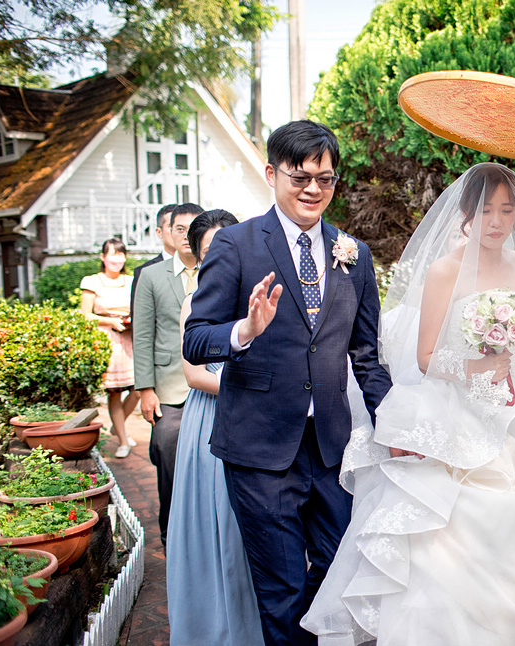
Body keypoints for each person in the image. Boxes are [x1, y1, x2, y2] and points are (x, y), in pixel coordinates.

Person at [300, 163, 515, 645]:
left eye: (507, 211)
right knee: (455, 515)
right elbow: (427, 355)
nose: (497, 221)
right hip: (458, 406)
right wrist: (478, 368)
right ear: (465, 214)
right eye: (486, 210)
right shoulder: (445, 271)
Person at [183, 120, 393, 646]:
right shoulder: (235, 244)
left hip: (330, 450)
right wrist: (245, 331)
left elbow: (365, 354)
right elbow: (195, 340)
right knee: (281, 589)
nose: (313, 189)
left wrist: (395, 424)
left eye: (326, 179)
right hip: (258, 449)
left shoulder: (354, 253)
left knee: (337, 575)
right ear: (273, 174)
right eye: (301, 177)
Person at [166, 209, 264, 645]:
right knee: (217, 523)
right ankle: (218, 629)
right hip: (212, 418)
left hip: (260, 421)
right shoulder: (194, 302)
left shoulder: (259, 294)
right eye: (211, 251)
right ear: (199, 256)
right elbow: (193, 374)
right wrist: (249, 388)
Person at [132, 202, 204, 543]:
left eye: (194, 228)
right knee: (167, 445)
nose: (187, 236)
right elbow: (142, 335)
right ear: (168, 232)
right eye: (180, 229)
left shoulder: (219, 269)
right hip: (170, 387)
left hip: (214, 382)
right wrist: (146, 389)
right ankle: (172, 532)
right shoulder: (150, 276)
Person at [80, 238, 138, 458]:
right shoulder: (92, 281)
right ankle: (123, 441)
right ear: (103, 257)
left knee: (138, 390)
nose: (117, 259)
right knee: (114, 392)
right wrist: (110, 322)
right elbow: (85, 314)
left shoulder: (132, 280)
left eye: (121, 254)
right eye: (112, 254)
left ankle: (118, 424)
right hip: (108, 341)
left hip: (130, 338)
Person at [131, 203, 177, 316]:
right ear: (159, 232)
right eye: (172, 226)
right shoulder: (144, 272)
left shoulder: (202, 266)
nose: (178, 232)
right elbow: (140, 321)